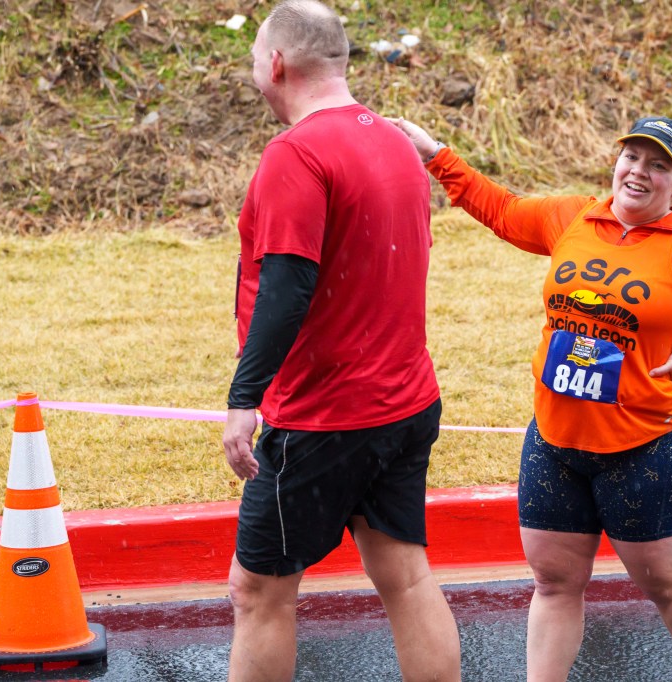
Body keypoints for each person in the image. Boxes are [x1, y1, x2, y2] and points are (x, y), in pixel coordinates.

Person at [394, 115, 672, 681]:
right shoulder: (572, 216)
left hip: (645, 446)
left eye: (659, 167)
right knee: (554, 585)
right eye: (632, 157)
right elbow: (501, 210)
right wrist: (435, 154)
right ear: (616, 162)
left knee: (666, 586)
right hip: (555, 442)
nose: (639, 173)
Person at [221, 3, 461, 681]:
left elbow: (287, 286)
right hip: (406, 403)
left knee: (260, 592)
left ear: (275, 63)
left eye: (253, 61)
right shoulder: (393, 141)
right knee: (406, 578)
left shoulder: (296, 153)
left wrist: (245, 399)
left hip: (326, 417)